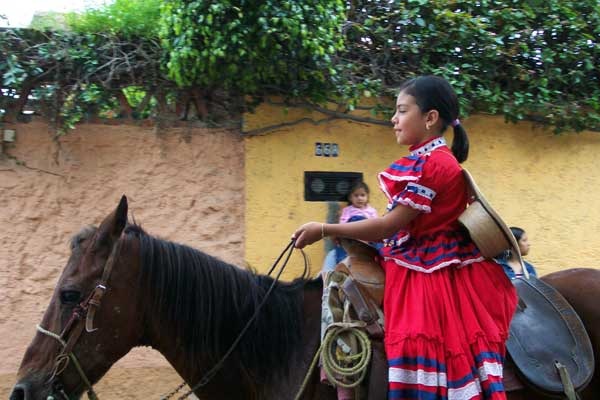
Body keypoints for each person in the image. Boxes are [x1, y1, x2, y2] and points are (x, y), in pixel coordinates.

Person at [293, 75, 517, 399]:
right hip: (409, 257)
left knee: (417, 347)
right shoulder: (424, 159)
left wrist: (325, 229)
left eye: (401, 110)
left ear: (430, 118)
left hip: (429, 273)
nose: (393, 119)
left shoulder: (435, 165)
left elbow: (388, 226)